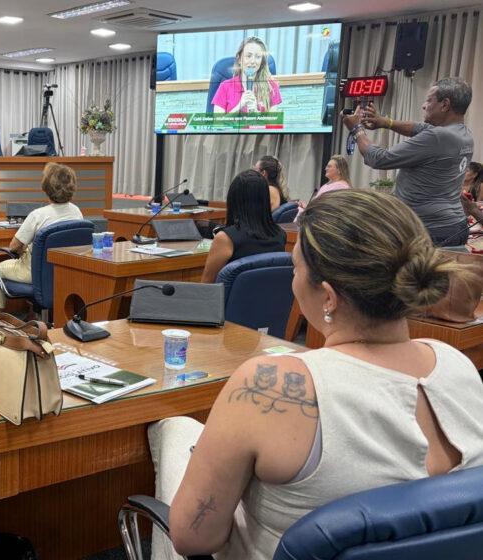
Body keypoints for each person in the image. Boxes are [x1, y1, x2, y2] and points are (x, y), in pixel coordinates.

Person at [153, 189, 483, 560]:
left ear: (328, 296)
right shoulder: (459, 365)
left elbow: (194, 539)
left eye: (295, 268)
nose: (293, 281)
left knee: (172, 429)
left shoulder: (266, 386)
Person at [343, 76, 475, 245]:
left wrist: (356, 130)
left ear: (445, 105)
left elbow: (379, 159)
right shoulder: (464, 134)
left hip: (428, 230)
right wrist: (385, 122)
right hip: (453, 226)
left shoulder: (437, 137)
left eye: (429, 100)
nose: (424, 105)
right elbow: (420, 127)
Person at [0, 162, 83, 314]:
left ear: (46, 188)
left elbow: (13, 247)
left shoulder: (38, 215)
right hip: (64, 273)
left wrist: (24, 247)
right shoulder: (77, 212)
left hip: (35, 273)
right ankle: (35, 317)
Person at [200, 169, 286, 283]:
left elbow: (206, 286)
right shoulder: (281, 235)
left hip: (229, 301)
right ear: (265, 199)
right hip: (271, 300)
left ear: (233, 200)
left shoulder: (226, 239)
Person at [211, 36, 281, 114]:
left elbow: (274, 125)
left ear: (262, 61)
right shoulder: (225, 87)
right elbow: (218, 124)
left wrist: (256, 113)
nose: (253, 61)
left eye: (258, 57)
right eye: (248, 56)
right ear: (239, 59)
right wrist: (240, 106)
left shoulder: (271, 87)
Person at [295, 154, 351, 221]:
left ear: (339, 170)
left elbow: (328, 209)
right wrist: (305, 205)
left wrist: (308, 207)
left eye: (329, 166)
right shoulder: (329, 185)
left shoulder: (341, 187)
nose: (325, 169)